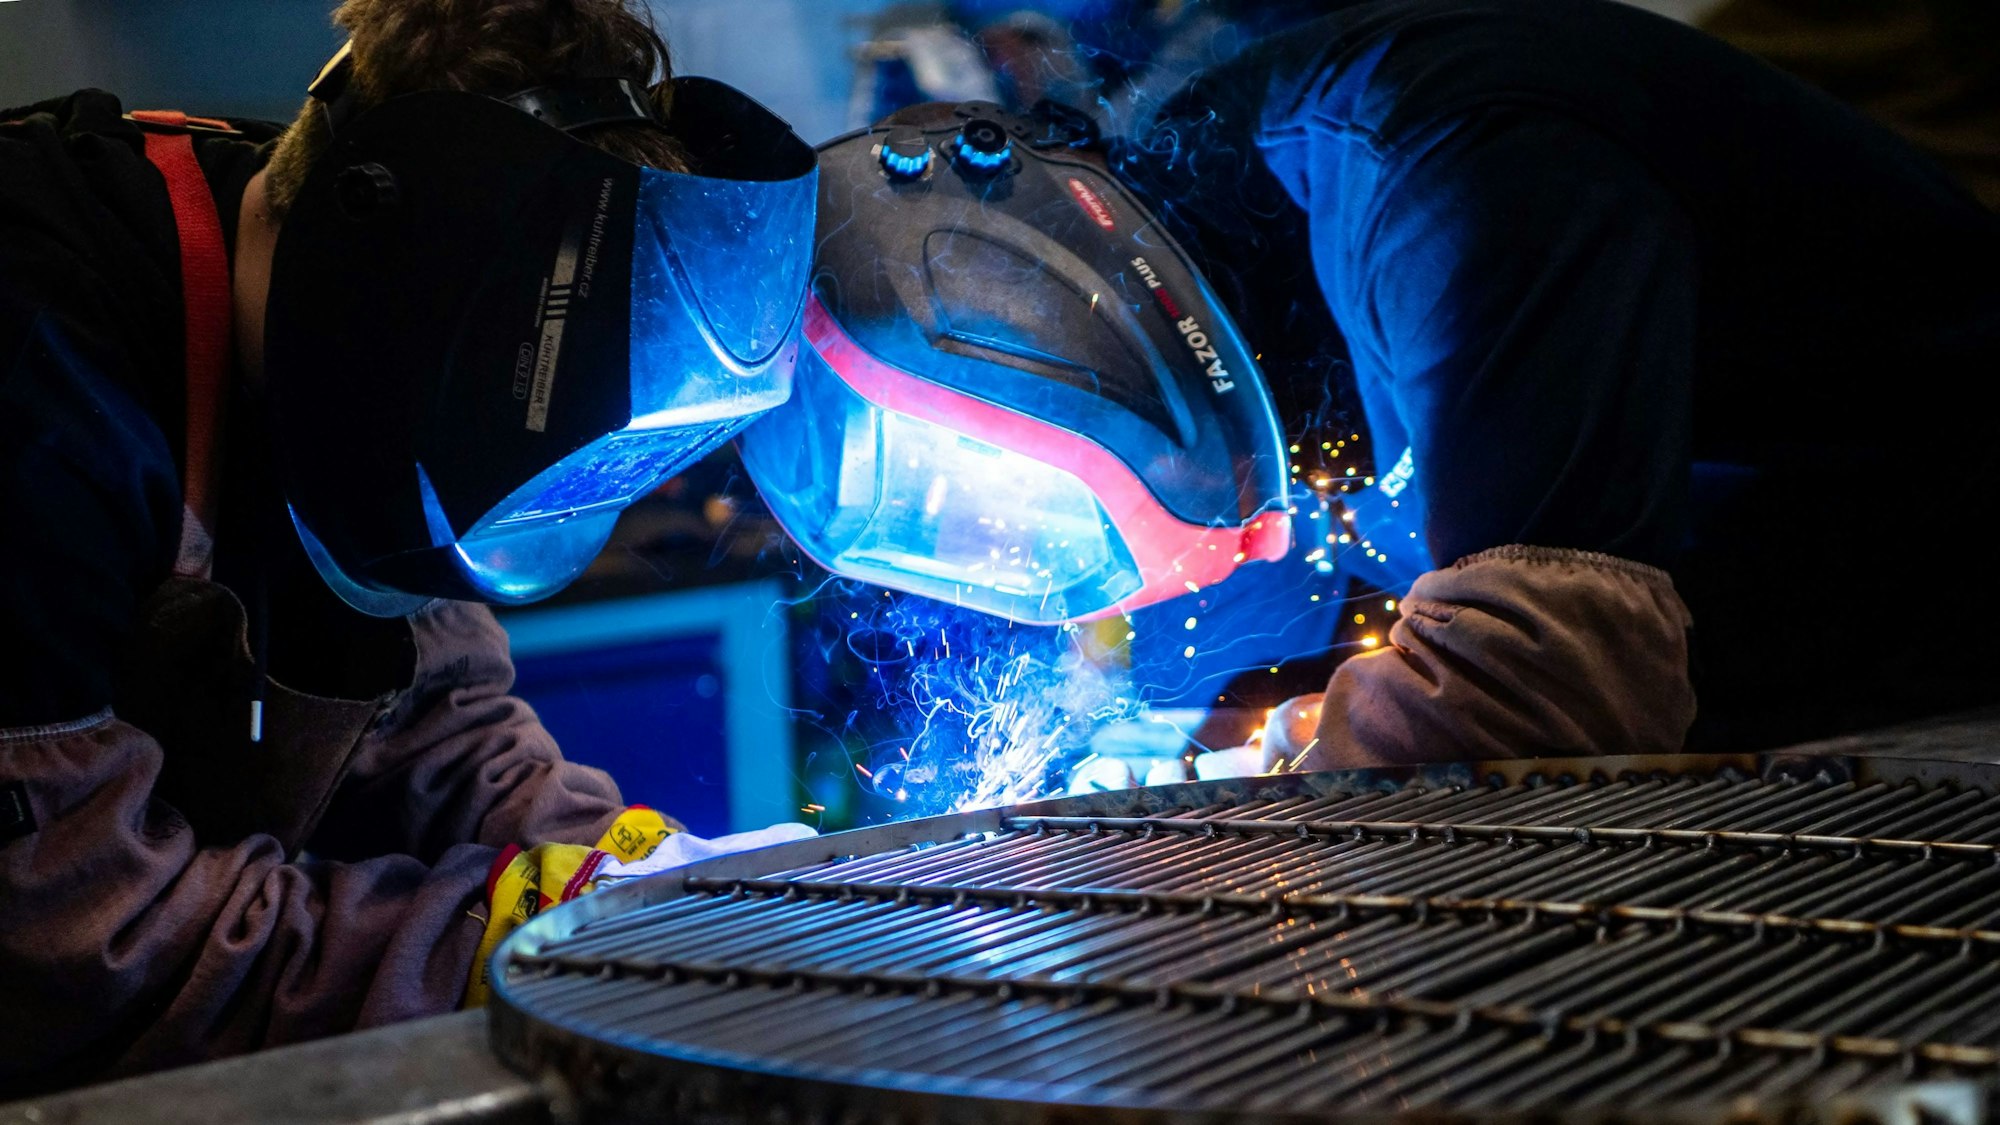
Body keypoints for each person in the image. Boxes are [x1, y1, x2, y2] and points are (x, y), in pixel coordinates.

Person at [738, 0, 2000, 774]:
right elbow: (1268, 627)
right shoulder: (1248, 277)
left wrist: (1259, 807)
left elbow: (1539, 688)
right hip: (1810, 696)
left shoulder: (1446, 172)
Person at [0, 0, 814, 1095]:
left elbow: (436, 726)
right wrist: (529, 940)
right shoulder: (39, 360)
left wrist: (634, 874)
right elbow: (77, 944)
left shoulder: (365, 320)